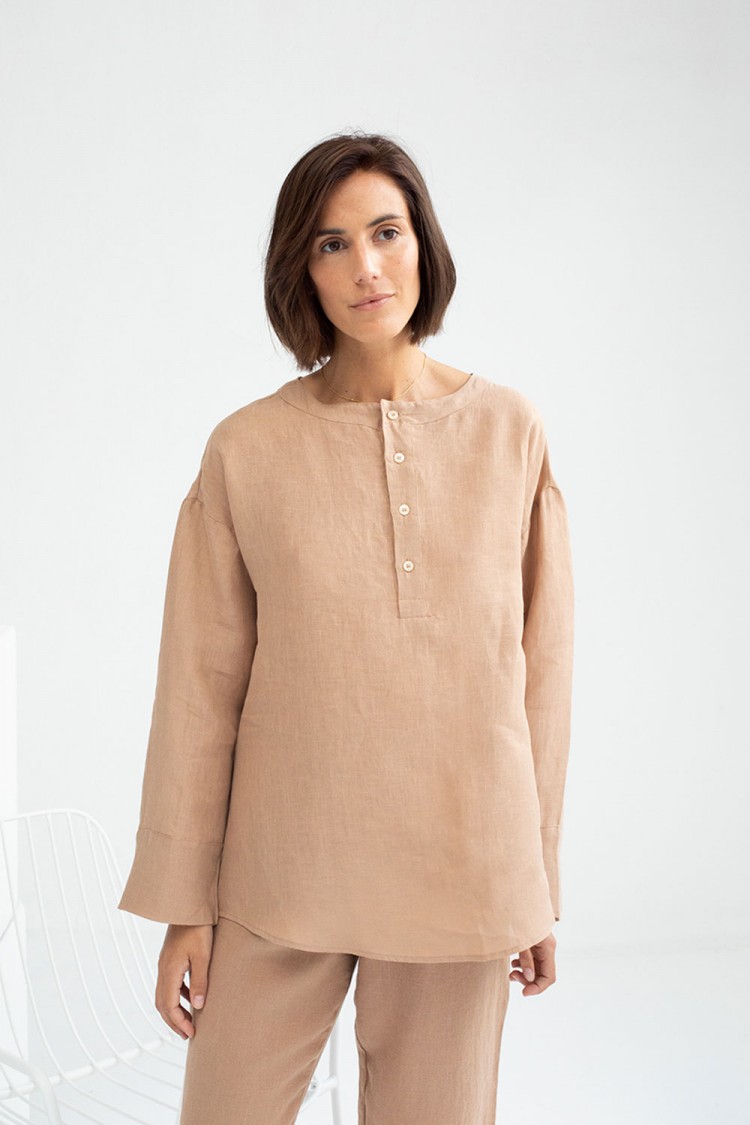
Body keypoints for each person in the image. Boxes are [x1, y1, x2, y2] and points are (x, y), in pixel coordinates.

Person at [117, 130, 575, 1124]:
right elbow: (198, 691)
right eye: (332, 244)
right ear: (302, 269)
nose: (367, 266)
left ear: (423, 244)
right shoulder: (246, 450)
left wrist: (533, 881)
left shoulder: (510, 433)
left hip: (462, 871)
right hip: (279, 877)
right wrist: (186, 907)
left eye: (386, 232)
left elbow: (540, 677)